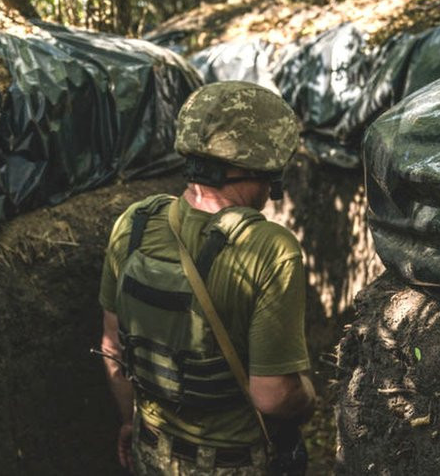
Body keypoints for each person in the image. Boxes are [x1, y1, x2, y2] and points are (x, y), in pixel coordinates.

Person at [97, 81, 316, 475]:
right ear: (265, 167)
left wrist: (130, 423)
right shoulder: (270, 248)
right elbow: (273, 396)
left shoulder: (135, 223)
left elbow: (113, 347)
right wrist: (308, 397)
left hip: (150, 452)